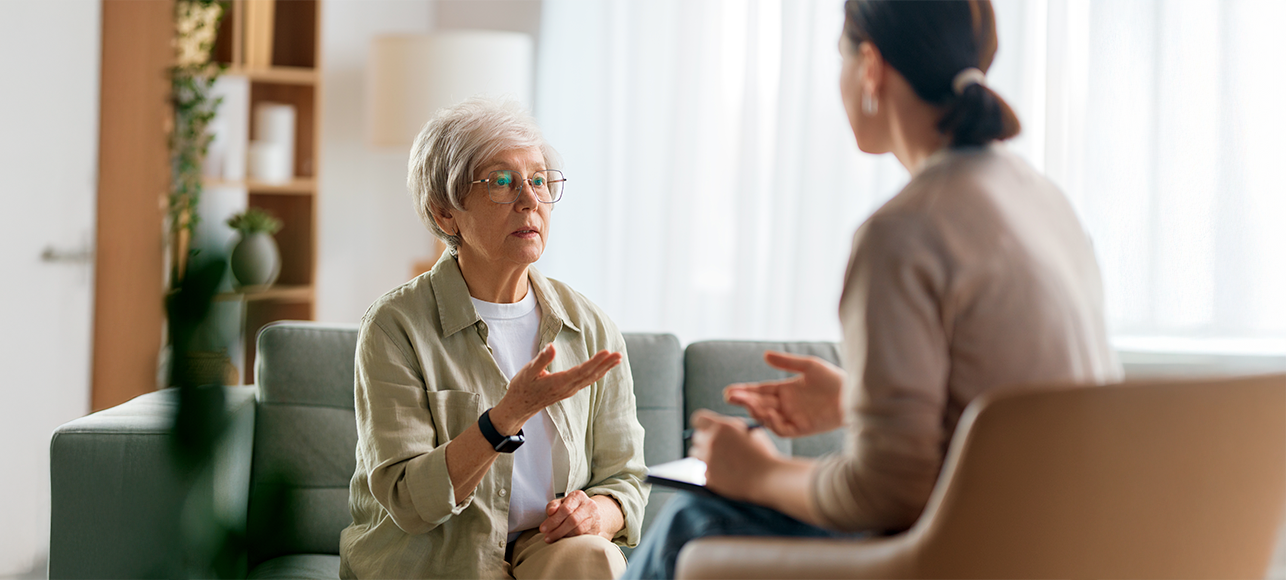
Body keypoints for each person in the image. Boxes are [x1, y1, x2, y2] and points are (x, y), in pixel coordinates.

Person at [622, 0, 1121, 578]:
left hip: (969, 555)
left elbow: (892, 491)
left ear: (871, 68)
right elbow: (1008, 421)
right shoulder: (1044, 201)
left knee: (693, 519)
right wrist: (851, 401)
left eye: (840, 56)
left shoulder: (903, 232)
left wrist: (756, 473)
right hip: (1060, 545)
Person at [341, 97, 649, 580]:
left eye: (540, 180)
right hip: (433, 560)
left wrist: (598, 513)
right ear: (445, 214)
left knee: (594, 556)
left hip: (543, 548)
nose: (530, 200)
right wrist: (506, 416)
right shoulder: (394, 326)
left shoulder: (589, 326)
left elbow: (626, 477)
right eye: (502, 182)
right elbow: (408, 502)